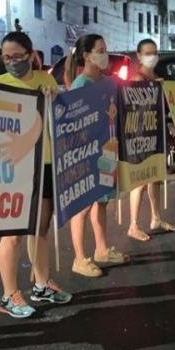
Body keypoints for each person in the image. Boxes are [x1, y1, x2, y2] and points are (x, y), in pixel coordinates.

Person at [0, 32, 70, 319]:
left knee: (40, 229)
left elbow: (61, 118)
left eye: (17, 56)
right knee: (12, 234)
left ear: (31, 55)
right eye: (7, 57)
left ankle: (41, 284)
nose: (12, 62)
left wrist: (56, 99)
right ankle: (9, 294)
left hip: (45, 163)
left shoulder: (46, 80)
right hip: (13, 168)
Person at [66, 34, 130, 277]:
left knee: (102, 201)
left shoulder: (108, 82)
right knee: (83, 205)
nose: (105, 55)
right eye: (100, 50)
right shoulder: (81, 85)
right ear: (87, 55)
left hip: (107, 149)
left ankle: (102, 249)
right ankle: (79, 258)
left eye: (105, 49)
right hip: (87, 154)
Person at [126, 39, 175, 241]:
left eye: (155, 52)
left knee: (155, 177)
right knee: (140, 179)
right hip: (141, 135)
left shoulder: (156, 76)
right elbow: (135, 107)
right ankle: (133, 225)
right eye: (147, 53)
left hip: (157, 133)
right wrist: (154, 88)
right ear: (139, 56)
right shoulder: (137, 78)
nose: (152, 56)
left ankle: (156, 217)